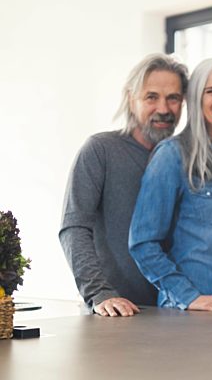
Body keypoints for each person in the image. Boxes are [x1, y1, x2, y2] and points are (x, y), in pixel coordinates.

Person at [59, 54, 188, 317]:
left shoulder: (187, 158)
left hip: (176, 311)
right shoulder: (100, 150)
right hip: (114, 313)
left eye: (173, 98)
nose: (163, 108)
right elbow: (74, 227)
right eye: (151, 97)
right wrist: (99, 293)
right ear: (131, 99)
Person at [129, 59, 212, 313]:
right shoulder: (172, 155)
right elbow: (143, 243)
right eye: (211, 91)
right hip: (189, 313)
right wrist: (189, 296)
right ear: (195, 100)